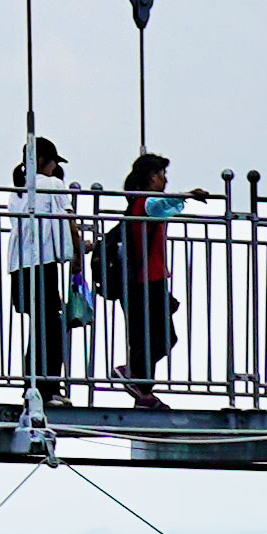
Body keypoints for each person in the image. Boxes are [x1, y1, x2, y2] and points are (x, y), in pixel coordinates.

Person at [99, 152, 189, 411]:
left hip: (148, 280)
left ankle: (141, 387)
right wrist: (188, 195)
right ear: (151, 177)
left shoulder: (138, 204)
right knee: (156, 337)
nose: (165, 180)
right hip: (146, 281)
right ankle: (136, 379)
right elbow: (161, 206)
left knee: (153, 337)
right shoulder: (145, 203)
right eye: (161, 174)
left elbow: (165, 208)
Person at [6, 137, 79, 407]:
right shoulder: (53, 185)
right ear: (43, 162)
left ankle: (35, 385)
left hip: (19, 266)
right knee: (50, 326)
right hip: (42, 264)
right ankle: (46, 388)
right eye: (53, 163)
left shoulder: (17, 189)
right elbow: (68, 221)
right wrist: (78, 253)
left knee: (40, 325)